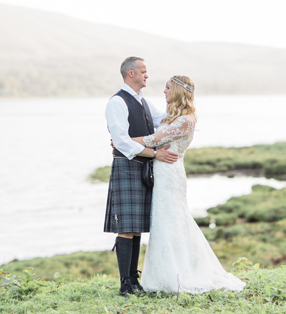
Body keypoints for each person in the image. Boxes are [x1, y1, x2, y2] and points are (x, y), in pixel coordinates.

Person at [132, 75, 246, 294]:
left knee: (172, 220)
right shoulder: (174, 117)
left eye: (167, 88)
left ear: (178, 92)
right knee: (165, 221)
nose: (164, 92)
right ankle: (165, 273)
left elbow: (152, 140)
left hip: (170, 175)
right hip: (164, 172)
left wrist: (123, 141)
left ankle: (178, 274)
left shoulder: (185, 120)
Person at [104, 57, 178, 296]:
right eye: (143, 72)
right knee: (126, 227)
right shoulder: (117, 102)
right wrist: (154, 153)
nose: (147, 76)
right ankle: (125, 284)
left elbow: (163, 121)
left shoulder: (143, 102)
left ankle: (133, 281)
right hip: (126, 165)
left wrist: (183, 106)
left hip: (142, 168)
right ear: (130, 74)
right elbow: (122, 141)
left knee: (135, 227)